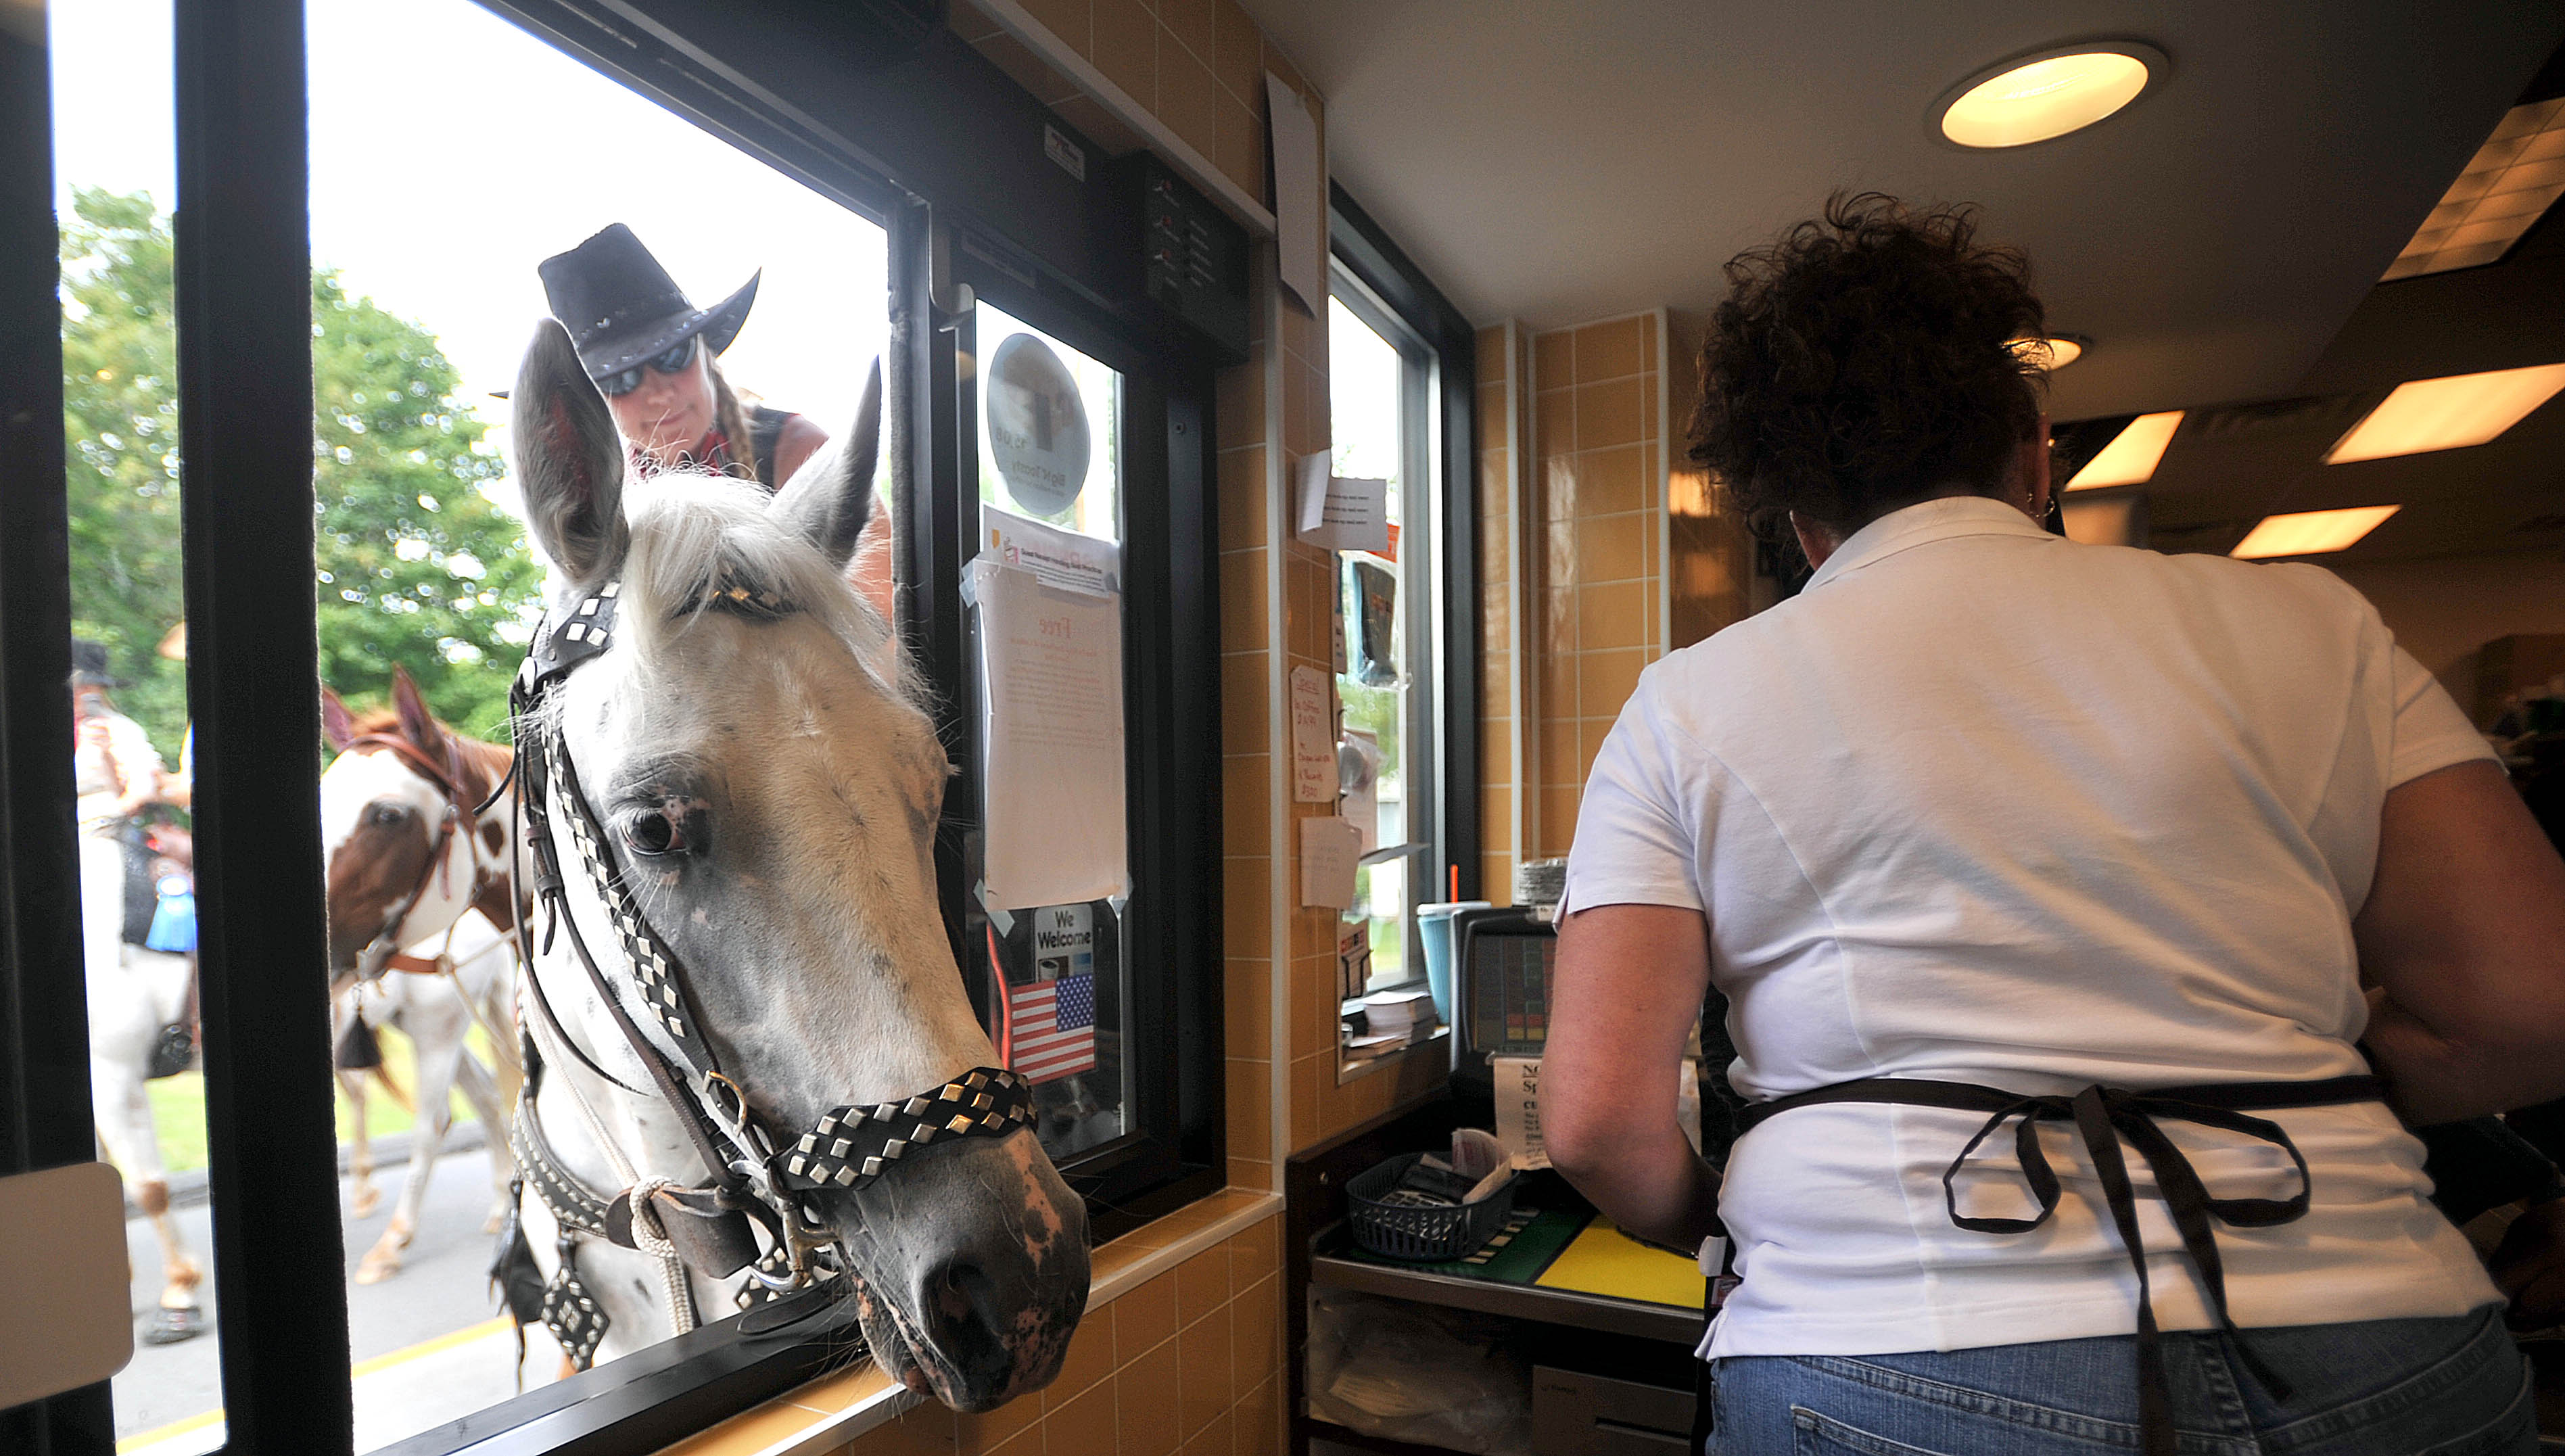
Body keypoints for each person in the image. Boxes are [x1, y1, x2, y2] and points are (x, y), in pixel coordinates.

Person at [1541, 195, 2565, 1456]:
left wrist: (1731, 1215)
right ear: (2035, 455)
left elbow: (1595, 1121)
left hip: (1884, 1341)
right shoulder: (2316, 625)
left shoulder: (1688, 701)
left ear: (1796, 519)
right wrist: (2299, 1080)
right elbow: (2530, 1007)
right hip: (2372, 1331)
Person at [536, 223, 893, 614]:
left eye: (674, 357)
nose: (659, 393)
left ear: (705, 355)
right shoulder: (597, 501)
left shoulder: (794, 451)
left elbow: (885, 612)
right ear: (597, 404)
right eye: (619, 379)